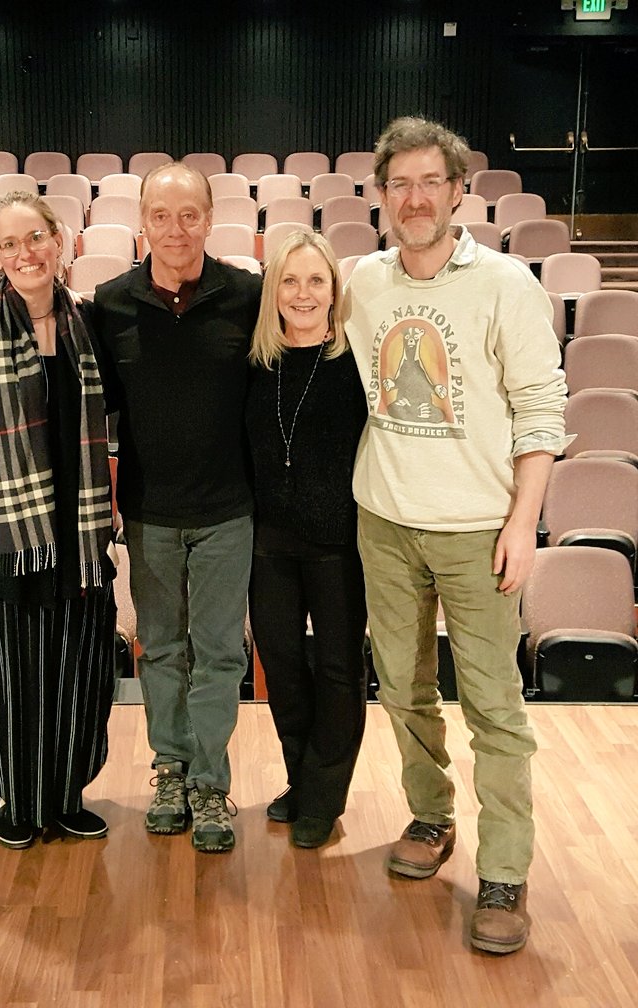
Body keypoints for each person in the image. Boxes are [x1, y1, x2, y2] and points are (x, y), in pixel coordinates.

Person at [344, 116, 571, 954]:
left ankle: (504, 872)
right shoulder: (362, 281)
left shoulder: (507, 284)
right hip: (384, 522)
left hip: (479, 530)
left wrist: (524, 522)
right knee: (403, 692)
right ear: (381, 195)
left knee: (494, 707)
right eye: (399, 184)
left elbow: (542, 408)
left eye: (429, 183)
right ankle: (430, 817)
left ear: (457, 192)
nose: (414, 199)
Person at [91, 162, 261, 853]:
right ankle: (171, 769)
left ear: (210, 219)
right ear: (142, 222)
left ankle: (211, 782)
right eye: (161, 215)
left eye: (189, 214)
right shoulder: (110, 303)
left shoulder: (247, 295)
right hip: (150, 513)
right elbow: (94, 408)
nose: (176, 229)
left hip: (228, 510)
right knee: (161, 649)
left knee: (219, 653)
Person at [0, 191, 119, 850]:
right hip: (0, 537)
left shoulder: (91, 323)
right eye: (10, 243)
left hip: (77, 536)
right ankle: (14, 796)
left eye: (36, 237)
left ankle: (67, 793)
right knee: (3, 674)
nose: (26, 253)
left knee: (75, 670)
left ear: (60, 240)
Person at [245, 230, 368, 850]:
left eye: (316, 280)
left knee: (340, 669)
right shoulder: (254, 365)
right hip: (269, 544)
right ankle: (302, 777)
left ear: (334, 289)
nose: (303, 293)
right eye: (289, 281)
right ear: (273, 291)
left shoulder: (356, 364)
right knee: (284, 666)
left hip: (339, 543)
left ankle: (325, 795)